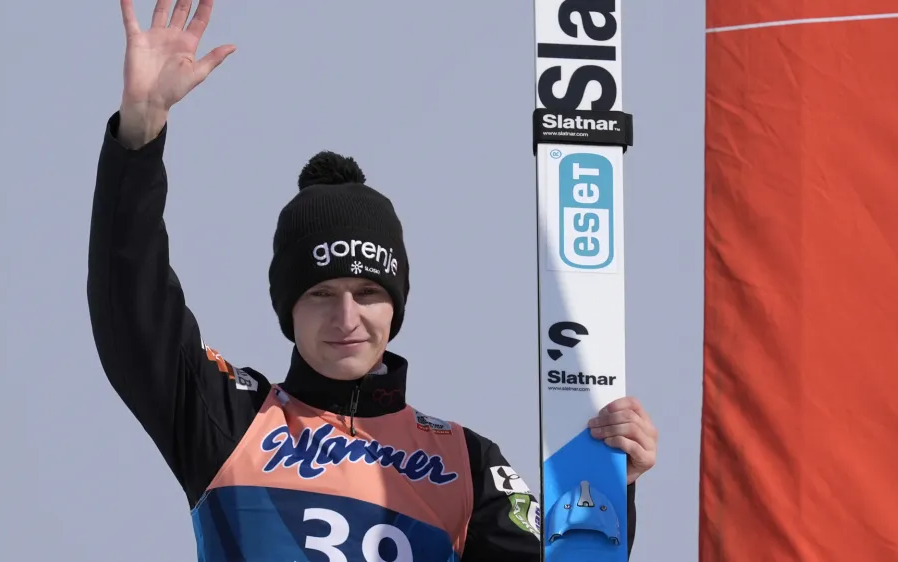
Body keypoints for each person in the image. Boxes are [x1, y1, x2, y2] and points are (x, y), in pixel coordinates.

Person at [87, 0, 660, 560]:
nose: (346, 319)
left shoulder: (467, 462)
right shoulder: (228, 420)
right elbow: (131, 306)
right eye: (319, 295)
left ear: (396, 305)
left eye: (368, 293)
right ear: (287, 308)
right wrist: (139, 136)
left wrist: (609, 486)